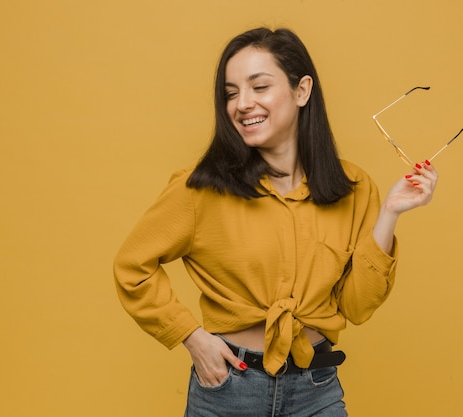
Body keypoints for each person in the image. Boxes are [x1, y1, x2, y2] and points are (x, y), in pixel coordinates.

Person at [114, 27, 438, 417]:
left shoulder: (353, 189)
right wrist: (191, 337)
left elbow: (357, 307)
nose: (242, 104)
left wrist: (390, 214)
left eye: (259, 87)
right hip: (228, 387)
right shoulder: (199, 188)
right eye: (231, 93)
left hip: (316, 388)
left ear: (302, 91)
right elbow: (132, 268)